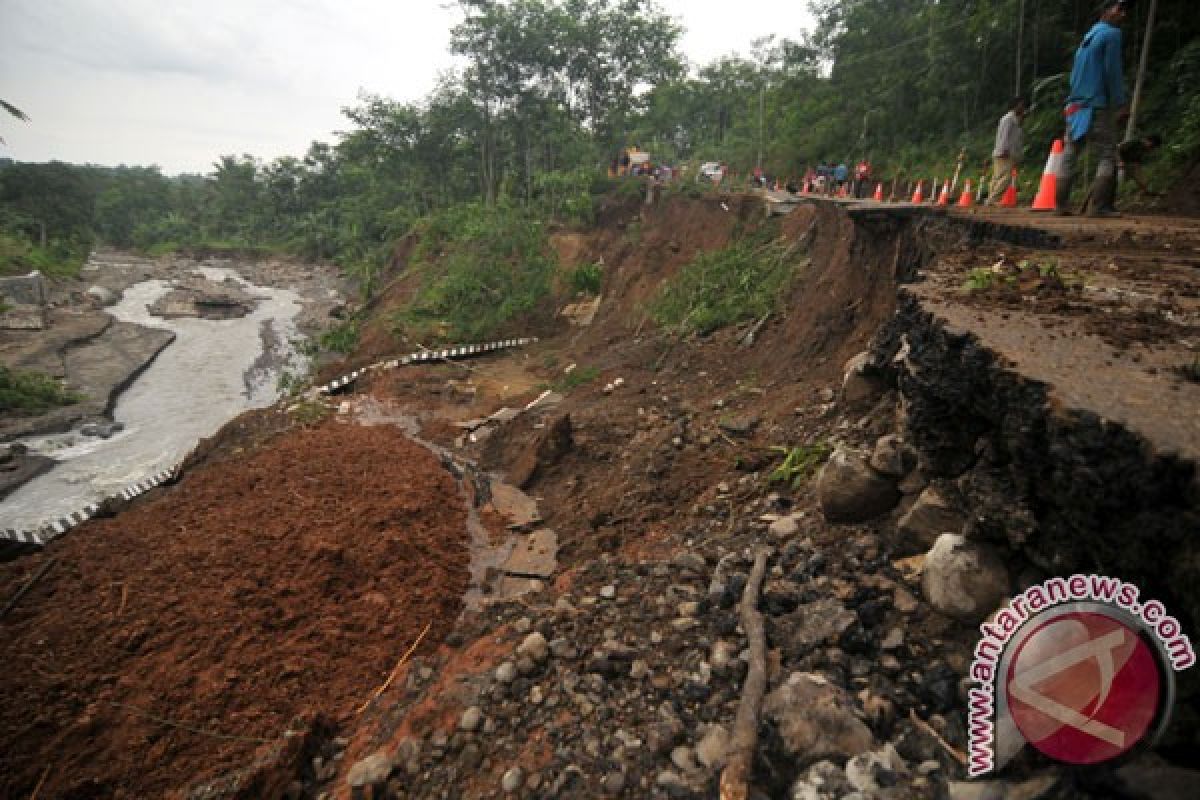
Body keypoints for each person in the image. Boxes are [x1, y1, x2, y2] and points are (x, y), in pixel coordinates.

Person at [1057, 0, 1130, 216]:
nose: (1123, 14)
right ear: (1106, 9)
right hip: (1096, 103)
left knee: (1070, 152)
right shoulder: (1112, 35)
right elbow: (1112, 72)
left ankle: (1060, 204)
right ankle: (1100, 206)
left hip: (1074, 105)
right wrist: (1121, 102)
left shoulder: (1088, 37)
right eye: (1120, 8)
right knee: (1107, 154)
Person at [988, 98, 1026, 205]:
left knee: (998, 176)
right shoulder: (1008, 119)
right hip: (1005, 152)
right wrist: (1004, 149)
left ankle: (992, 198)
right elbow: (1004, 135)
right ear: (1015, 106)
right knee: (1006, 177)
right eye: (1021, 105)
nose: (1022, 108)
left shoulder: (1014, 119)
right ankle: (993, 198)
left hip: (1006, 151)